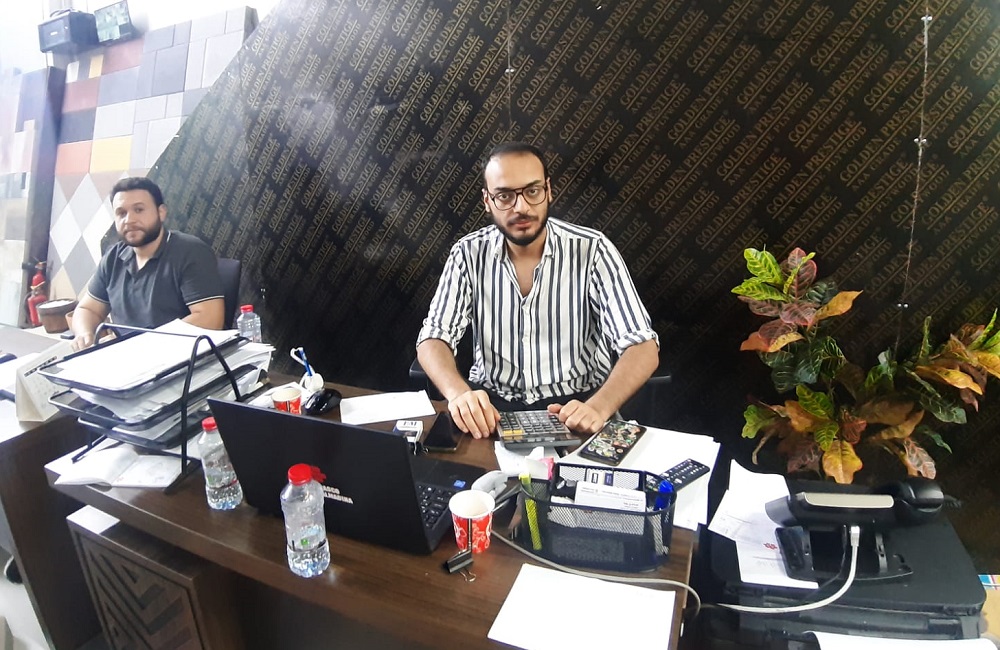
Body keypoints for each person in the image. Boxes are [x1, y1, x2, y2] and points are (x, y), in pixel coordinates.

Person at [416, 142, 659, 438]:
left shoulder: (592, 250)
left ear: (548, 190)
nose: (521, 207)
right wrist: (458, 394)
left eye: (532, 191)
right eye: (504, 196)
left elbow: (642, 346)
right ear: (487, 201)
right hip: (491, 411)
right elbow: (433, 337)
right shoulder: (468, 253)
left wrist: (599, 407)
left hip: (577, 409)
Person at [71, 177, 225, 350]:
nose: (129, 220)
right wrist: (84, 334)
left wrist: (140, 344)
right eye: (121, 213)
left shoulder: (190, 251)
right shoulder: (113, 258)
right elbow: (87, 309)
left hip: (180, 356)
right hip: (127, 356)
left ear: (161, 212)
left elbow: (210, 319)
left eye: (139, 210)